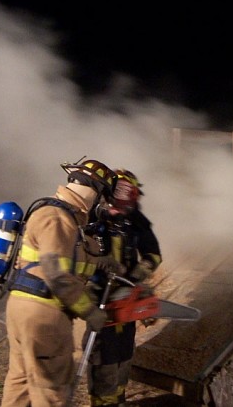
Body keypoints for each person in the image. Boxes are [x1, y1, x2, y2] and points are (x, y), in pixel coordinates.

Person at [1, 158, 125, 407]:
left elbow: (69, 259)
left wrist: (101, 261)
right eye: (102, 198)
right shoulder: (58, 217)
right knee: (52, 391)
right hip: (44, 315)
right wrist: (89, 311)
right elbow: (56, 274)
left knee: (22, 382)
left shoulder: (62, 216)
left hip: (23, 308)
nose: (100, 205)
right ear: (95, 191)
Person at [85, 168, 162, 407]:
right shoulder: (91, 218)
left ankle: (118, 400)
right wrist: (97, 268)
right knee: (104, 360)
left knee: (124, 357)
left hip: (126, 297)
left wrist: (138, 274)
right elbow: (76, 256)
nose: (120, 208)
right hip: (99, 300)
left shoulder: (136, 220)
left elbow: (153, 255)